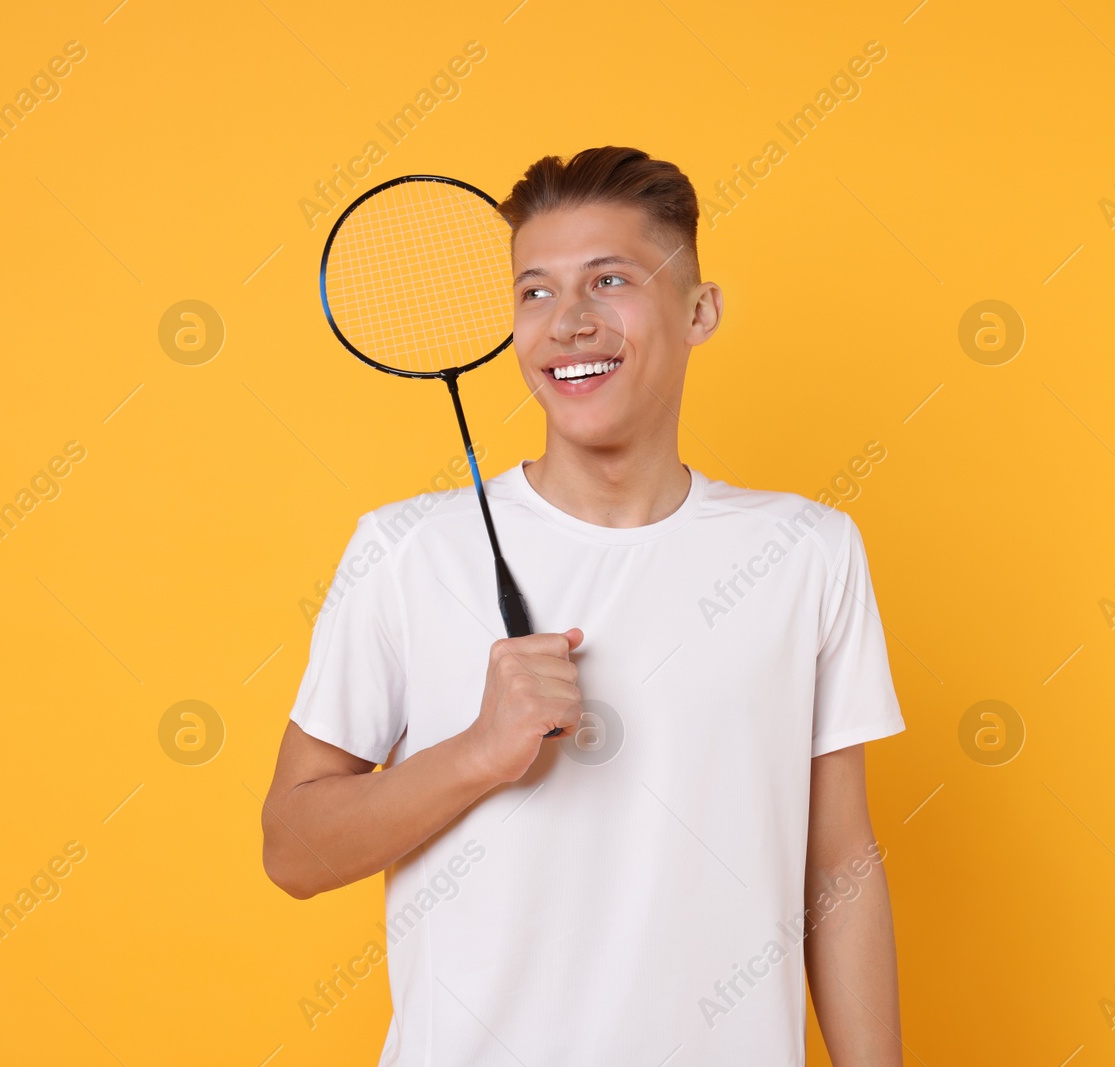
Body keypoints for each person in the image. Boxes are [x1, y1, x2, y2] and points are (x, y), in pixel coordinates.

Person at [262, 145, 906, 1066]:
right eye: (536, 292)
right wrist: (478, 753)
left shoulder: (806, 552)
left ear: (700, 311)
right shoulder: (406, 552)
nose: (568, 322)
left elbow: (839, 865)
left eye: (609, 281)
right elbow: (292, 848)